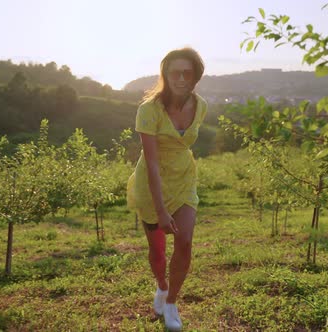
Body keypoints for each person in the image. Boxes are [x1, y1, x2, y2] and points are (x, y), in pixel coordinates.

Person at [126, 47, 207, 331]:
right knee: (157, 251)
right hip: (152, 184)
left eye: (188, 72)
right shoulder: (149, 111)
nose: (181, 78)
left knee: (184, 241)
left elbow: (184, 146)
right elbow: (152, 163)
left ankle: (171, 302)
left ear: (196, 76)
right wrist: (161, 210)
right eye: (175, 72)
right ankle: (161, 286)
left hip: (184, 179)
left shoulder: (201, 105)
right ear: (165, 75)